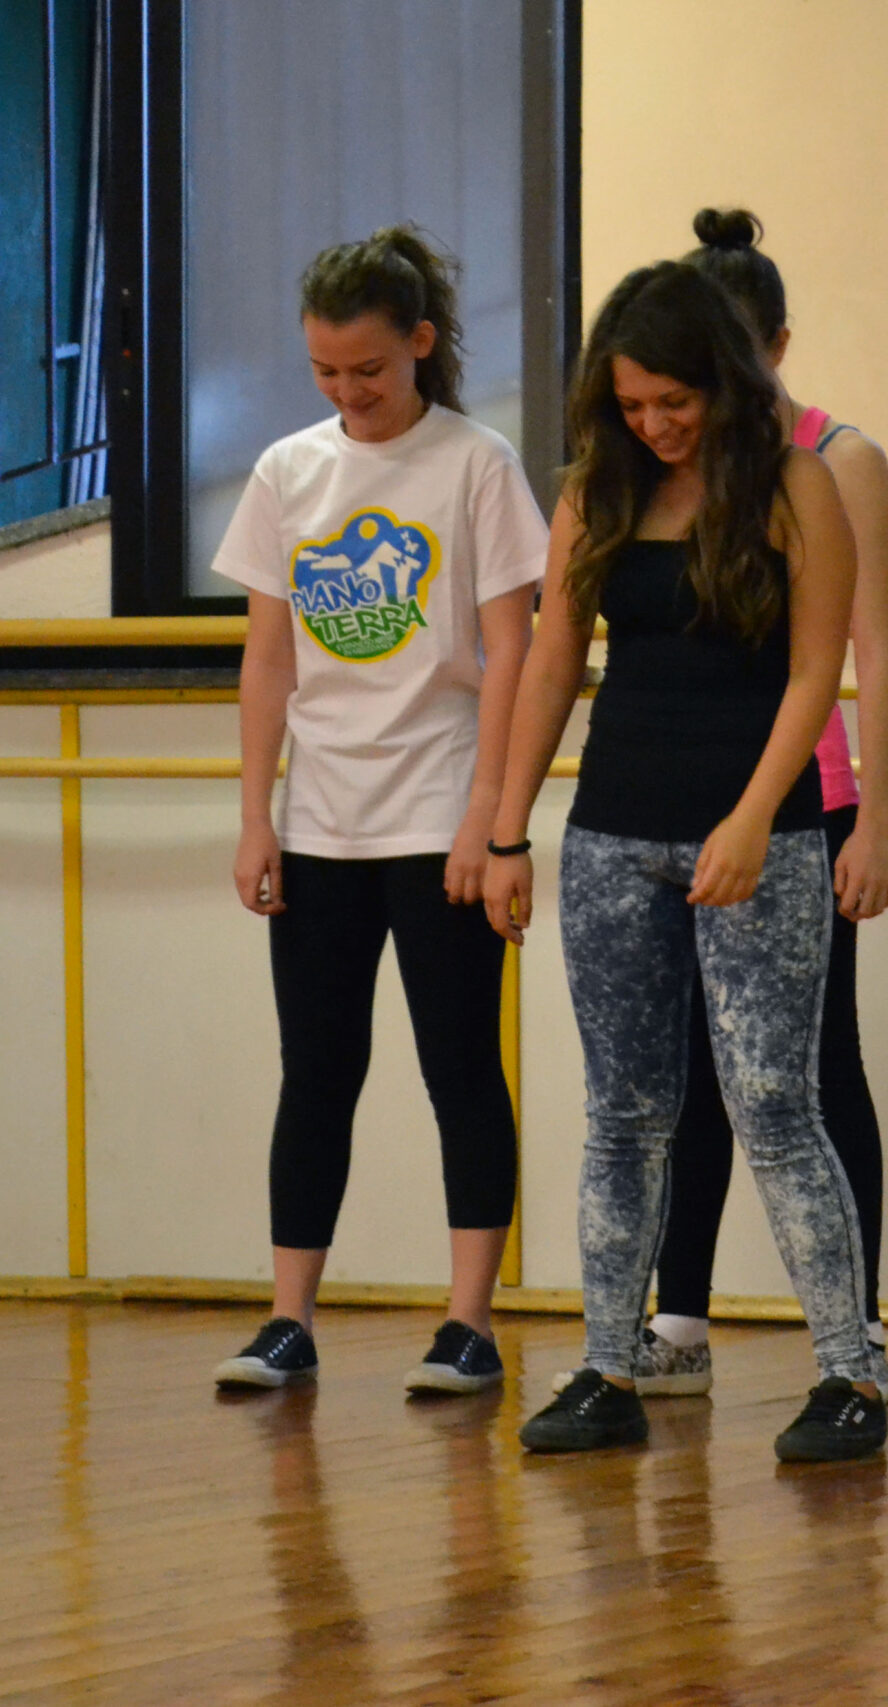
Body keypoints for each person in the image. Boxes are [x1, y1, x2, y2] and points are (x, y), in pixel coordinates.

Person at [487, 260, 888, 1462]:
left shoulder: (798, 483)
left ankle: (850, 1374)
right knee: (623, 1114)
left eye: (675, 401)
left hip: (761, 836)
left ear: (723, 379)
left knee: (776, 1104)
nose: (655, 424)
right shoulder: (595, 490)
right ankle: (608, 1365)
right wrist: (507, 829)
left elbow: (816, 670)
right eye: (632, 405)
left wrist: (757, 817)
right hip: (614, 834)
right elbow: (553, 660)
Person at [210, 226, 543, 1398]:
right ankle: (287, 1318)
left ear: (421, 344)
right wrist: (257, 815)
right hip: (322, 823)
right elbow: (268, 658)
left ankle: (468, 1323)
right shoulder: (286, 472)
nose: (348, 392)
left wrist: (489, 818)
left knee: (460, 1067)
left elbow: (512, 653)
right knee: (316, 1071)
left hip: (441, 812)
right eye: (325, 372)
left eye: (370, 370)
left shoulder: (477, 463)